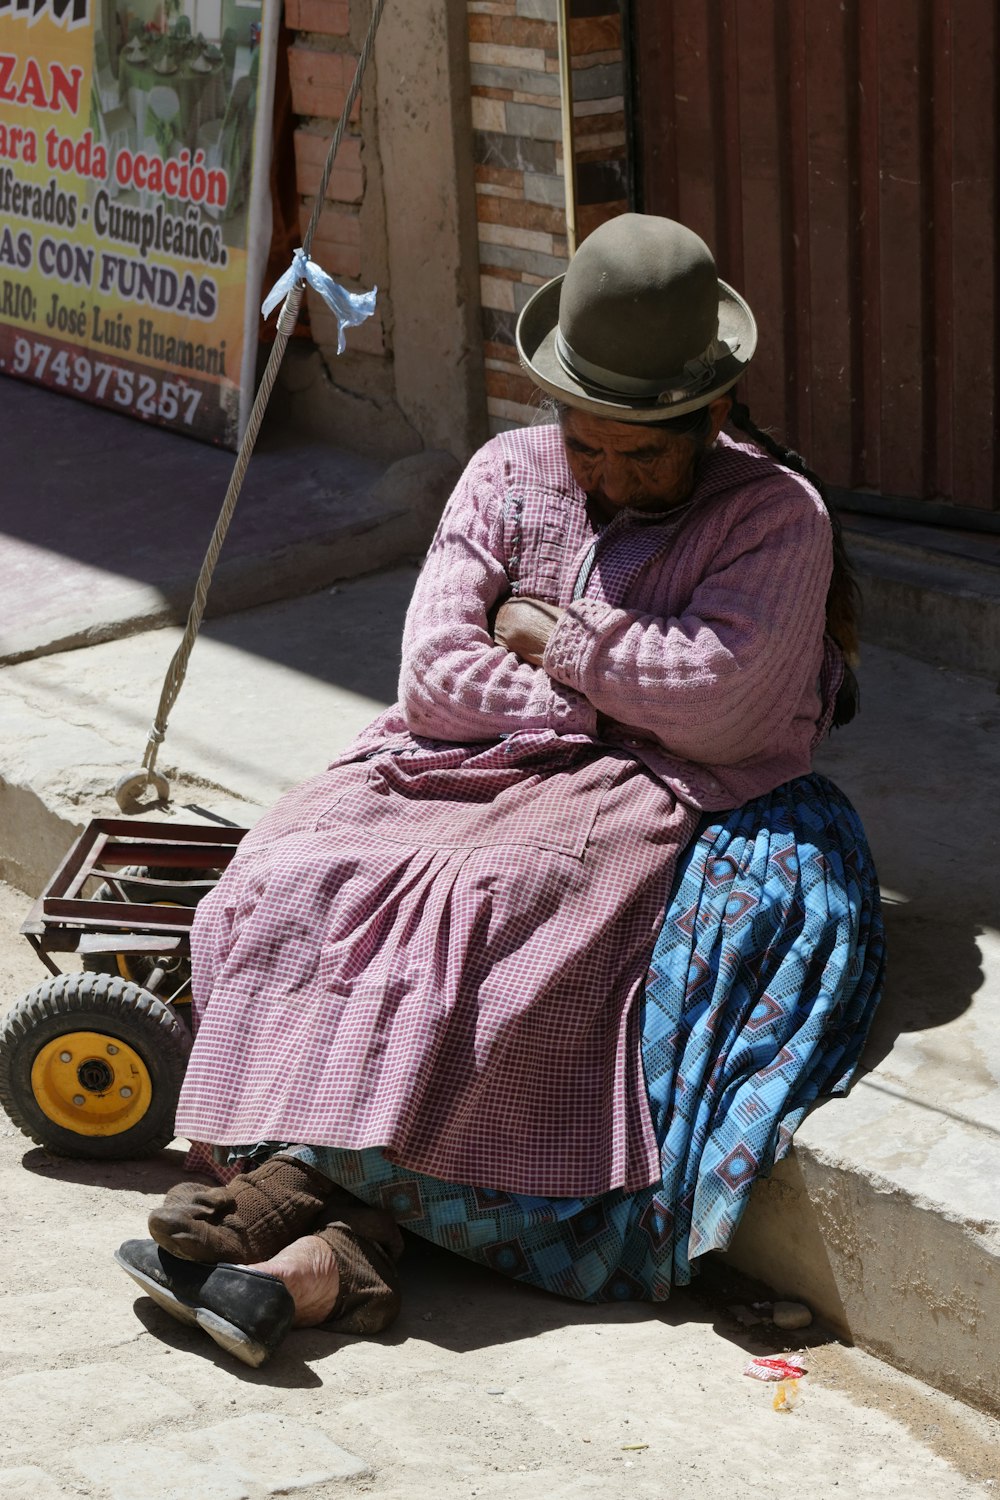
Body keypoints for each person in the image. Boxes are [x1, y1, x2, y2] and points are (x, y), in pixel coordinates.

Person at [115, 215, 885, 1366]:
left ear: (710, 422)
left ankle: (298, 1208)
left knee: (508, 912)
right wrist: (601, 689)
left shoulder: (775, 515)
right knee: (292, 874)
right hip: (469, 757)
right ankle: (323, 1234)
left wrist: (552, 640)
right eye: (589, 448)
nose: (612, 478)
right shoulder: (504, 472)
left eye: (646, 456)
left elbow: (715, 703)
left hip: (679, 784)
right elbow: (432, 675)